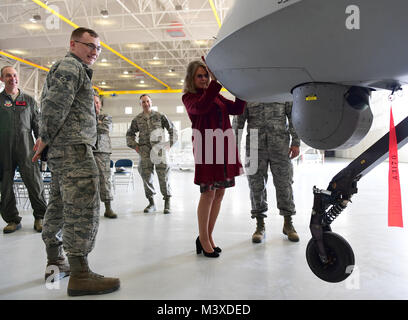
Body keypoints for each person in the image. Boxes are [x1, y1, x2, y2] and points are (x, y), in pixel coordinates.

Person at [32, 27, 120, 296]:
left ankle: (56, 261)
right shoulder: (71, 67)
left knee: (58, 205)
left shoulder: (72, 68)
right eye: (89, 45)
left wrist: (48, 140)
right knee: (83, 208)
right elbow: (54, 106)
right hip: (74, 150)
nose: (94, 52)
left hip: (65, 150)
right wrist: (43, 137)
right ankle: (80, 274)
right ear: (73, 44)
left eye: (98, 48)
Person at [182, 59, 246, 258]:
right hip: (206, 148)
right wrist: (216, 82)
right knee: (208, 193)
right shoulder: (189, 98)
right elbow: (201, 107)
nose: (204, 79)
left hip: (224, 146)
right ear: (192, 78)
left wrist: (240, 89)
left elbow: (237, 110)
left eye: (206, 75)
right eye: (199, 76)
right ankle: (203, 239)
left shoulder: (215, 95)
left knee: (219, 194)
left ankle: (207, 237)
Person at [232, 101, 300, 243]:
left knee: (284, 183)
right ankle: (260, 226)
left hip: (280, 144)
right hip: (254, 144)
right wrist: (234, 148)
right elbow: (238, 121)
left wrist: (296, 142)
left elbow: (294, 116)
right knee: (255, 186)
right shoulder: (247, 91)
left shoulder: (280, 88)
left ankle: (288, 223)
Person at [0, 65, 47, 234]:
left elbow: (38, 123)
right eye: (7, 76)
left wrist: (40, 138)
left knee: (34, 182)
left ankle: (40, 216)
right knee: (5, 185)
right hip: (3, 149)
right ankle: (12, 220)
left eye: (14, 75)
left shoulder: (28, 100)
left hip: (27, 147)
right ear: (2, 79)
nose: (12, 78)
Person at [126, 94, 178, 214]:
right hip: (144, 151)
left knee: (163, 176)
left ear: (151, 102)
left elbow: (172, 130)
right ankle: (151, 203)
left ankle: (167, 202)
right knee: (146, 176)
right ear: (140, 104)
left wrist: (169, 144)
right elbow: (129, 134)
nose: (146, 104)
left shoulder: (160, 116)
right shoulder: (137, 119)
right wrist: (136, 147)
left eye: (147, 101)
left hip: (159, 150)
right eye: (143, 102)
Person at [93, 93, 117, 219]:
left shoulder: (106, 116)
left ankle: (108, 208)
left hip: (102, 151)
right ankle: (91, 210)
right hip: (87, 151)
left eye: (97, 102)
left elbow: (105, 128)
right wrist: (97, 123)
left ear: (100, 104)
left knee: (104, 180)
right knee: (88, 181)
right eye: (93, 102)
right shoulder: (85, 117)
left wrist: (94, 124)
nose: (95, 105)